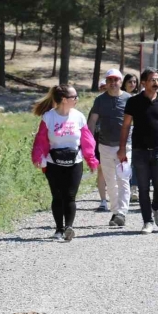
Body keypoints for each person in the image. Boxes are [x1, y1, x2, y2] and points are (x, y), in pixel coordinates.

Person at [32, 85, 99, 241]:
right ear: (64, 99)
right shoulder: (49, 117)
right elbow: (41, 139)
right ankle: (58, 229)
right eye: (74, 97)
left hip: (74, 162)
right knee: (57, 196)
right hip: (53, 163)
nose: (77, 99)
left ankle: (69, 228)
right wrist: (37, 156)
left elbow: (87, 140)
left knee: (70, 196)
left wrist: (91, 159)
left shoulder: (78, 116)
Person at [119, 68, 158, 234]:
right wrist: (122, 148)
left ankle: (156, 207)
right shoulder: (133, 102)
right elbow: (125, 126)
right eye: (152, 80)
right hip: (139, 151)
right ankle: (147, 221)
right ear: (143, 82)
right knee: (143, 188)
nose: (156, 83)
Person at [88, 69, 131, 228]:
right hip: (104, 146)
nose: (113, 83)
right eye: (109, 80)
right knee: (110, 180)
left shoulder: (129, 99)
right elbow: (92, 121)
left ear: (121, 82)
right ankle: (115, 211)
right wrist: (89, 143)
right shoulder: (100, 100)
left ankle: (122, 212)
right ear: (106, 83)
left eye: (116, 80)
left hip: (125, 146)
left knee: (123, 179)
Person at [122, 73, 140, 201]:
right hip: (123, 130)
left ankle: (134, 187)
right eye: (130, 82)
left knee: (135, 161)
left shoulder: (139, 97)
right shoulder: (121, 96)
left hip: (136, 130)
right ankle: (124, 187)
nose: (132, 84)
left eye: (134, 82)